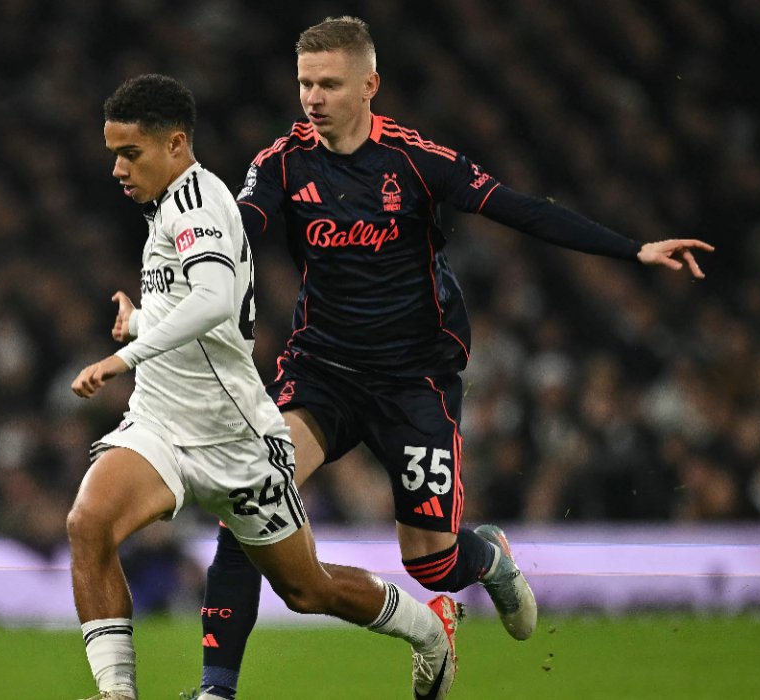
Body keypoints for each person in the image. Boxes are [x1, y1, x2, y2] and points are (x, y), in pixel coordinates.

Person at [185, 16, 715, 700]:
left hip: (415, 384)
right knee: (248, 499)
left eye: (329, 84)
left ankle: (486, 554)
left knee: (431, 566)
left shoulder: (415, 160)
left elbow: (520, 209)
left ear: (369, 85)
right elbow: (241, 230)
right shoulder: (280, 163)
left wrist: (633, 249)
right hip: (323, 374)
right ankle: (216, 690)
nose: (312, 98)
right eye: (304, 84)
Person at [68, 73, 466, 700]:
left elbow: (213, 300)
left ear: (176, 144)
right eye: (113, 152)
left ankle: (428, 633)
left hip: (236, 440)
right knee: (89, 523)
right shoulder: (167, 206)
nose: (118, 168)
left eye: (131, 152)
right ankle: (117, 693)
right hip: (163, 424)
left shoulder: (200, 204)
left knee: (308, 589)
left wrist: (126, 356)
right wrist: (141, 318)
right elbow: (203, 312)